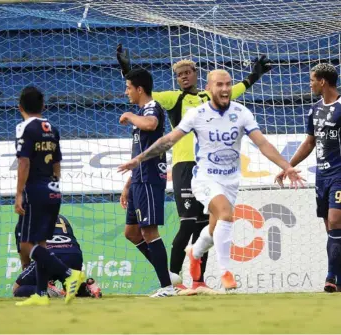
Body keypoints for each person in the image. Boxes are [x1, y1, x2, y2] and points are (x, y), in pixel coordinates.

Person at [118, 69, 304, 290]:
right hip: (204, 177)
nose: (225, 89)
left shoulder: (242, 113)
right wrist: (138, 159)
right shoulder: (197, 114)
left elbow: (262, 144)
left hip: (230, 180)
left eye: (228, 84)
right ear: (209, 88)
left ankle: (195, 253)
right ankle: (225, 273)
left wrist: (287, 166)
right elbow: (168, 140)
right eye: (219, 84)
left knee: (214, 229)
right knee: (225, 215)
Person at [14, 86, 84, 306]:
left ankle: (68, 274)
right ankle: (41, 294)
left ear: (20, 107)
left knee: (27, 246)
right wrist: (53, 184)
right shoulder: (52, 128)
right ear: (43, 106)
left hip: (34, 190)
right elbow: (56, 162)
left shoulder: (24, 127)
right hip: (53, 190)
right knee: (42, 244)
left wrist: (18, 193)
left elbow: (24, 162)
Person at [275, 63, 341, 293]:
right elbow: (309, 142)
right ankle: (339, 281)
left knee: (335, 220)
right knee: (331, 228)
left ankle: (330, 277)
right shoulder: (314, 109)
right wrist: (288, 166)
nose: (310, 84)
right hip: (321, 176)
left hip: (340, 174)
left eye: (312, 79)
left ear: (323, 81)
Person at [119, 68, 176, 297]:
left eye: (128, 88)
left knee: (149, 231)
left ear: (139, 89)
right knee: (131, 233)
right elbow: (141, 150)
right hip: (139, 180)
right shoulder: (143, 110)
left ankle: (167, 286)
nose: (126, 92)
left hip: (150, 178)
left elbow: (152, 124)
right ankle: (167, 275)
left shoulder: (151, 108)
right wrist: (128, 184)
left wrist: (129, 115)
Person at [13, 214, 102, 298]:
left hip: (51, 256)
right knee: (71, 290)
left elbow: (24, 252)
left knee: (17, 289)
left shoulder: (24, 221)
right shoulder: (61, 217)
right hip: (74, 255)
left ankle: (47, 291)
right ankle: (88, 287)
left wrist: (27, 272)